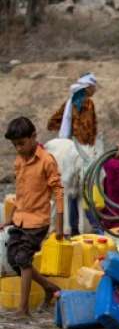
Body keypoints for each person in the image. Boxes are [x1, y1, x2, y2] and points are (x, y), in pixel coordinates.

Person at [3, 117, 64, 317]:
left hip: (38, 221)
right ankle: (48, 287)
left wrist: (60, 224)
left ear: (33, 137)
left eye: (22, 143)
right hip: (20, 219)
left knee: (23, 257)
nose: (19, 149)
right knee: (14, 259)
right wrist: (9, 218)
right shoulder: (19, 162)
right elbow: (19, 193)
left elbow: (58, 191)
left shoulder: (47, 160)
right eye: (15, 145)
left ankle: (23, 309)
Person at [47, 72, 98, 234]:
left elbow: (52, 122)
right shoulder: (88, 103)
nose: (95, 90)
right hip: (81, 151)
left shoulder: (70, 101)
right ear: (88, 87)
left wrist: (66, 132)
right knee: (85, 189)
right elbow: (88, 127)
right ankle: (85, 229)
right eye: (93, 87)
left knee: (67, 189)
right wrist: (87, 143)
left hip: (65, 148)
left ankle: (67, 227)